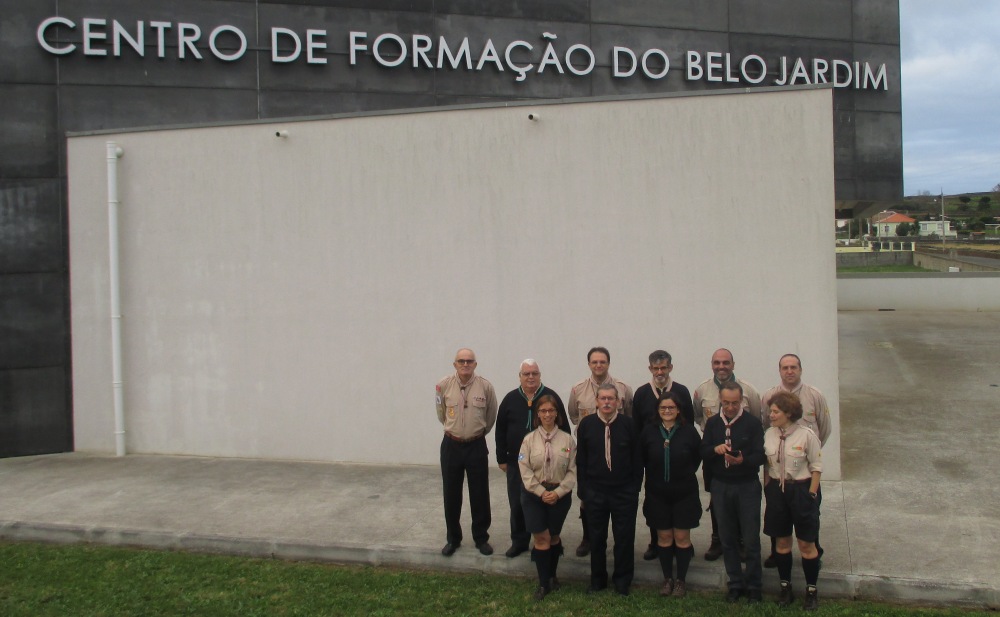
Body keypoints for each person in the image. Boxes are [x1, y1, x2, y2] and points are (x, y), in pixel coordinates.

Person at [761, 353, 832, 568]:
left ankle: (812, 552)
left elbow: (824, 428)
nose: (789, 371)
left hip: (804, 471)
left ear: (800, 369)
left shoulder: (814, 395)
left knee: (809, 515)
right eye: (785, 367)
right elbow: (766, 426)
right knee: (778, 516)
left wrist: (808, 457)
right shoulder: (769, 396)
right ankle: (777, 553)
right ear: (779, 370)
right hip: (778, 470)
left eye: (793, 367)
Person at [692, 348, 763, 561]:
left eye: (725, 362)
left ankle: (741, 541)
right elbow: (698, 416)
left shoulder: (748, 390)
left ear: (733, 364)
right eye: (717, 363)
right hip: (714, 455)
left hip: (742, 461)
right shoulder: (702, 390)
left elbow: (758, 417)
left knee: (741, 501)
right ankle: (718, 539)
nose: (721, 367)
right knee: (716, 498)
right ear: (711, 364)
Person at [496, 359, 569, 558]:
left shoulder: (550, 397)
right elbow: (500, 428)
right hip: (515, 462)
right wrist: (501, 458)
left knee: (546, 502)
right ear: (519, 376)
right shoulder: (510, 399)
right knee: (517, 503)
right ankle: (519, 541)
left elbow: (565, 430)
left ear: (540, 375)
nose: (530, 377)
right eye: (526, 374)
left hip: (547, 464)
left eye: (534, 373)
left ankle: (548, 540)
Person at [700, 382, 765, 603]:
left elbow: (760, 456)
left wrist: (743, 460)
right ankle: (735, 583)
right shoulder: (712, 423)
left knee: (750, 538)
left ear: (742, 401)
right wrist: (714, 449)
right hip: (721, 485)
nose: (729, 407)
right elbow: (703, 452)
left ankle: (754, 585)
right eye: (725, 402)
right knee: (727, 537)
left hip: (747, 485)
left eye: (734, 403)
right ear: (720, 399)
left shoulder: (752, 424)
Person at [575, 384, 643, 596]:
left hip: (623, 491)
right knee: (597, 538)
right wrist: (584, 491)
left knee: (624, 538)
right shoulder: (586, 425)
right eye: (603, 398)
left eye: (611, 399)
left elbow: (637, 459)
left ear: (618, 402)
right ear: (596, 401)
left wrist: (634, 489)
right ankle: (598, 580)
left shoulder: (629, 425)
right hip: (595, 491)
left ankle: (622, 581)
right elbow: (582, 461)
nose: (606, 402)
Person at [567, 346, 633, 557]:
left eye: (602, 362)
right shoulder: (578, 389)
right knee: (587, 498)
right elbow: (574, 416)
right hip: (591, 452)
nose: (598, 365)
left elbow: (628, 417)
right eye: (594, 362)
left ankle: (618, 543)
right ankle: (588, 538)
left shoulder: (622, 389)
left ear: (608, 363)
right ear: (589, 364)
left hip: (617, 452)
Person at [435, 348, 498, 557]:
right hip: (451, 445)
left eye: (469, 361)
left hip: (476, 445)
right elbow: (441, 413)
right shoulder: (444, 385)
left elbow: (490, 416)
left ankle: (481, 537)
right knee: (451, 494)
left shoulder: (486, 387)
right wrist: (456, 429)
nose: (465, 364)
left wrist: (476, 432)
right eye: (461, 361)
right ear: (455, 364)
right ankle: (453, 538)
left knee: (480, 493)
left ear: (475, 364)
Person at [632, 349, 694, 560]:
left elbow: (690, 426)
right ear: (650, 368)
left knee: (681, 502)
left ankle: (682, 543)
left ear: (670, 368)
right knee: (655, 501)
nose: (660, 371)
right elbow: (637, 427)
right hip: (653, 460)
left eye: (664, 367)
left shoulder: (682, 392)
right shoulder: (641, 393)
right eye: (656, 368)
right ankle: (656, 542)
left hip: (679, 460)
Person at [639, 391, 702, 598]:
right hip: (658, 493)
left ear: (678, 410)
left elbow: (696, 458)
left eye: (671, 408)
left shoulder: (689, 432)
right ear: (658, 410)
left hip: (684, 492)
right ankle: (667, 579)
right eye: (663, 408)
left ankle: (681, 581)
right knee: (664, 537)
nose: (667, 411)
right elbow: (643, 458)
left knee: (682, 537)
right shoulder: (649, 431)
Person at [763, 391, 823, 610]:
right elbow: (767, 466)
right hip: (778, 492)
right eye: (771, 411)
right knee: (781, 542)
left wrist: (811, 494)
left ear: (788, 413)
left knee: (806, 543)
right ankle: (785, 587)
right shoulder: (769, 434)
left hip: (801, 490)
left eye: (775, 411)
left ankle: (811, 590)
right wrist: (768, 489)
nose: (771, 415)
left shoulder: (806, 435)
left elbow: (816, 467)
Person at [518, 394, 577, 601]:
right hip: (534, 495)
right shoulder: (528, 440)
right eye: (543, 411)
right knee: (541, 538)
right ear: (538, 415)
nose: (547, 415)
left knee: (553, 537)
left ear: (557, 414)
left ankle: (552, 576)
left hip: (559, 496)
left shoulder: (567, 440)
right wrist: (542, 492)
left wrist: (558, 492)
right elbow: (524, 470)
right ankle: (543, 584)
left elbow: (572, 471)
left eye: (551, 411)